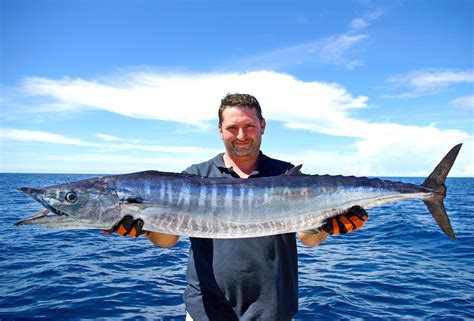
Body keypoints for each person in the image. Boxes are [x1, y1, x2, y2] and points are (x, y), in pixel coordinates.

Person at [105, 93, 368, 321]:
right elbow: (167, 240)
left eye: (249, 126)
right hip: (206, 311)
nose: (241, 136)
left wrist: (328, 226)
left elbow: (308, 239)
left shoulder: (284, 173)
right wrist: (145, 229)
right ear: (220, 130)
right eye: (232, 128)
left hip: (274, 310)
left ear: (262, 126)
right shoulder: (195, 176)